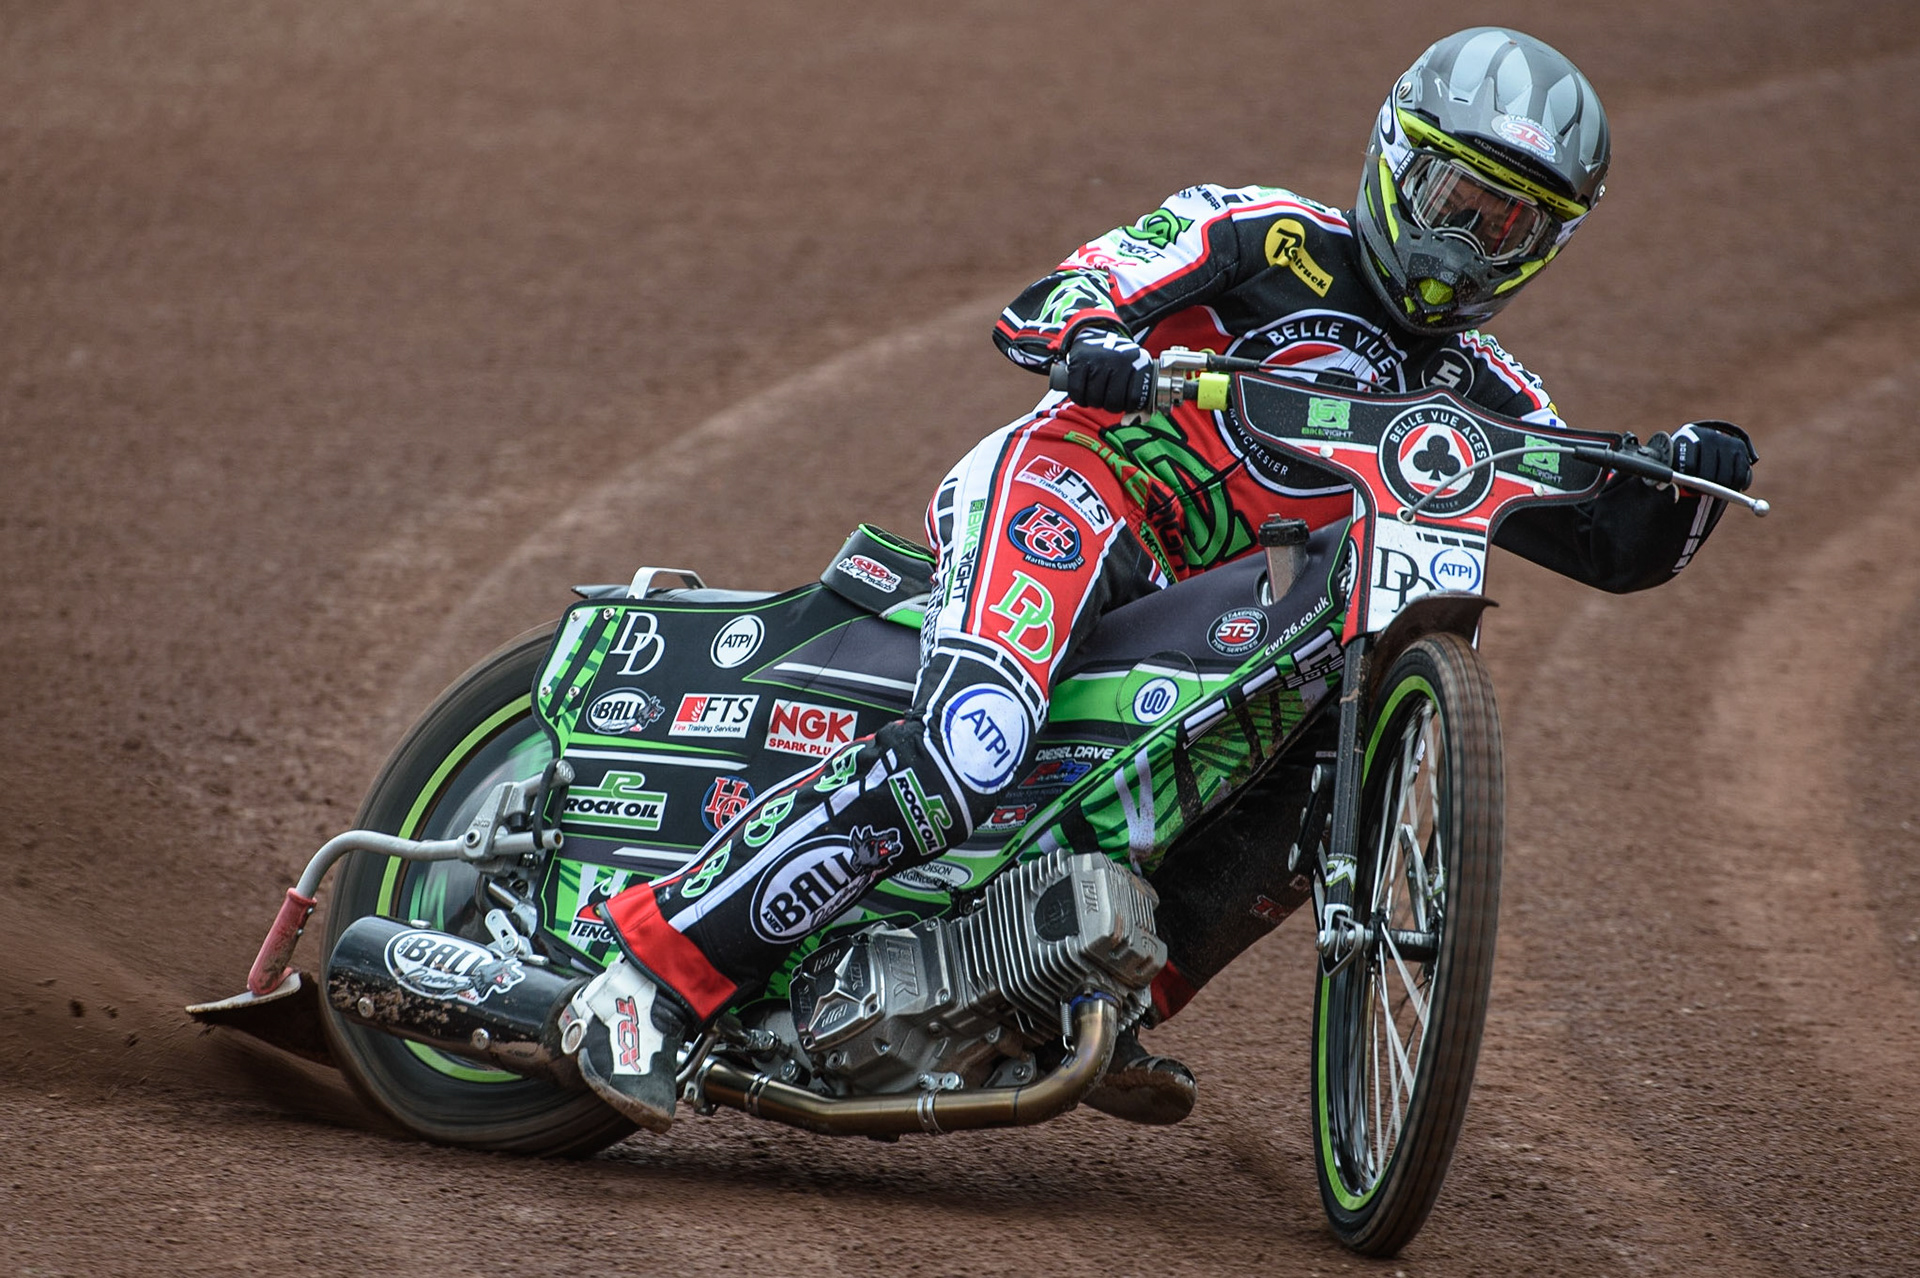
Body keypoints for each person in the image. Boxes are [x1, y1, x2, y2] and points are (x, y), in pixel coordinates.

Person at [558, 26, 1756, 1132]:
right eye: (1455, 198)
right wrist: (1092, 342)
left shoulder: (1491, 397)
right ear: (1398, 158)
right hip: (1079, 491)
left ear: (1547, 246)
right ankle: (650, 980)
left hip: (1209, 606)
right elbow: (1061, 298)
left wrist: (1689, 481)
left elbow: (1615, 547)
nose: (1462, 244)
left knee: (1330, 756)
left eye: (1507, 226)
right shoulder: (1262, 233)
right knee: (972, 743)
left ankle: (1094, 989)